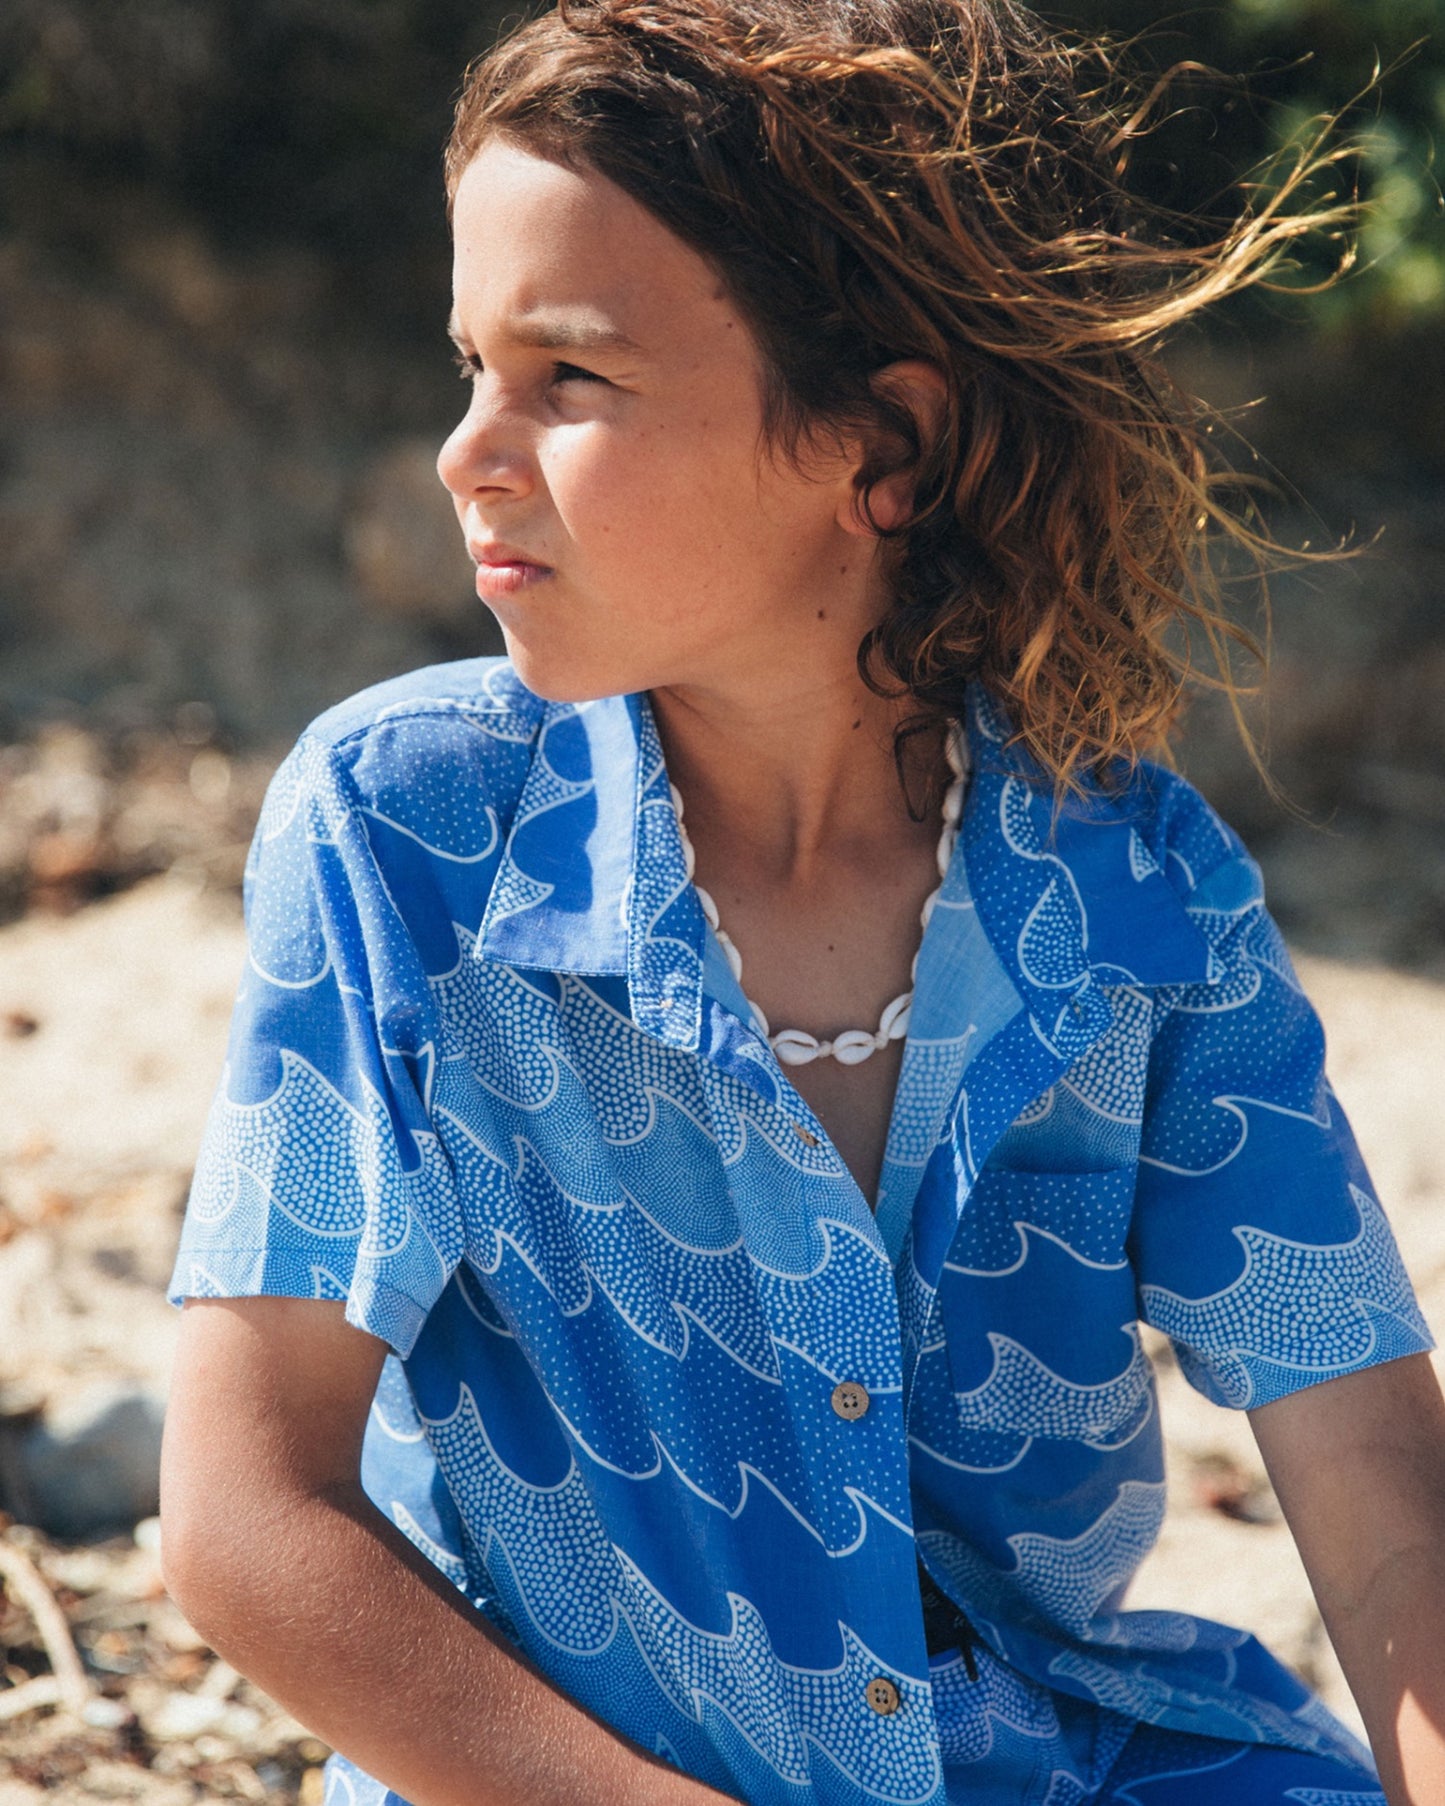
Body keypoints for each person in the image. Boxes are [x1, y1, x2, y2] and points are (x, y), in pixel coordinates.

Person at [158, 2, 1445, 1802]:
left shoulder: (1143, 891)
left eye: (569, 376)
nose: (467, 450)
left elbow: (1377, 1484)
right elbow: (242, 1518)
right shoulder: (403, 831)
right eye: (471, 366)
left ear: (878, 444)